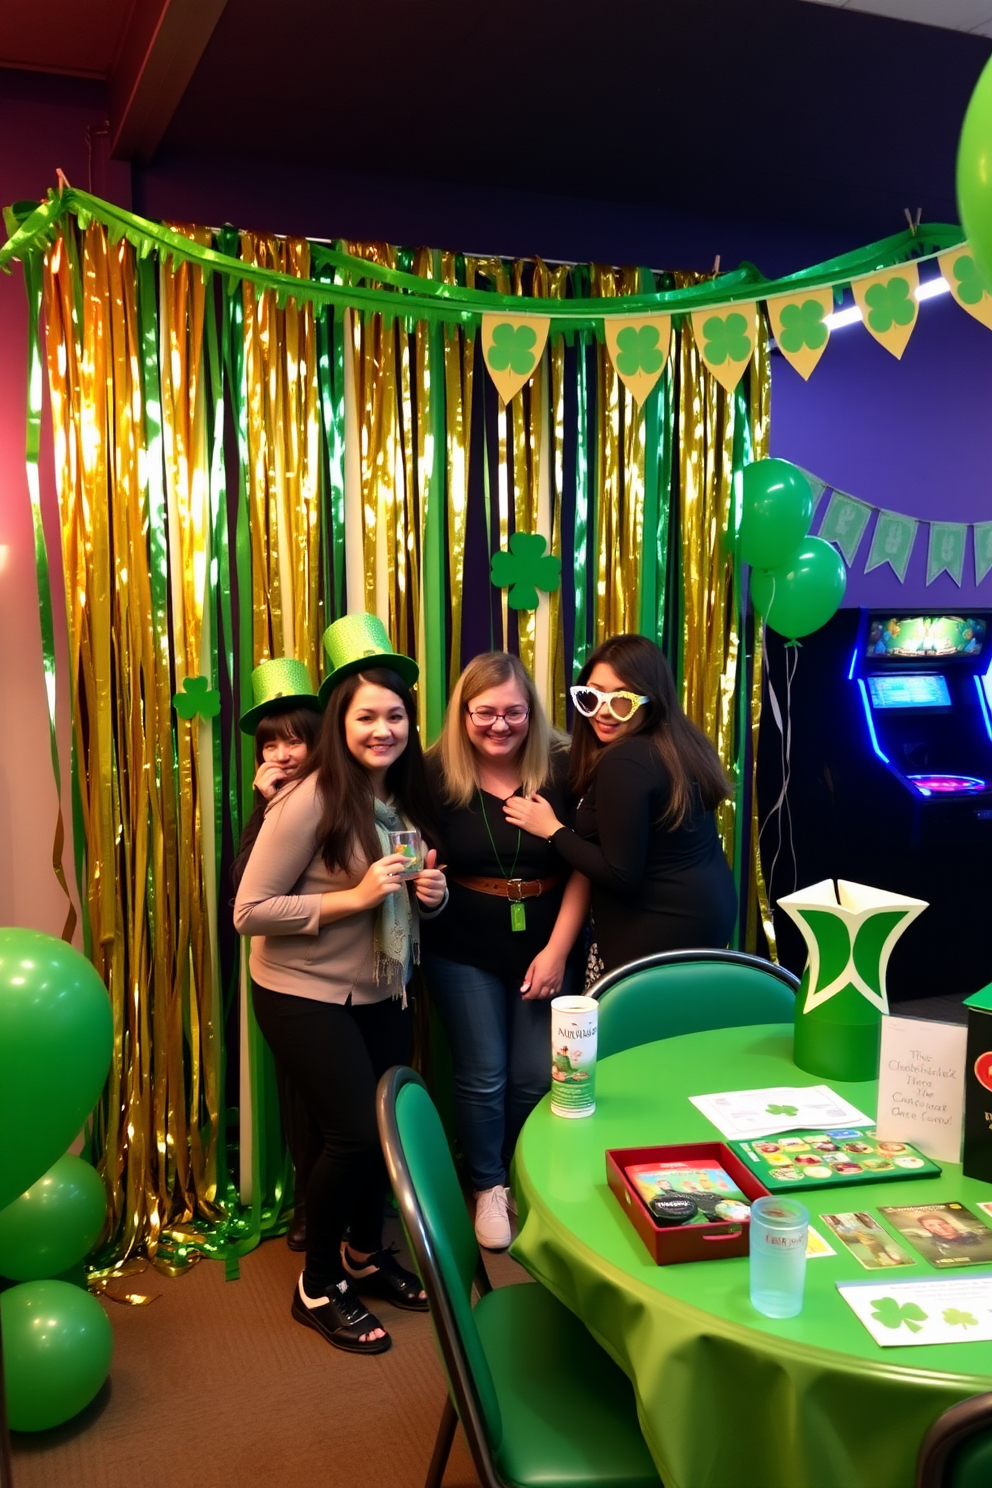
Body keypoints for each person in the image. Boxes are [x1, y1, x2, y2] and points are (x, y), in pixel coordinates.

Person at [234, 614, 447, 1355]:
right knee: (353, 1136)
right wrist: (355, 898)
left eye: (395, 714)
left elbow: (419, 879)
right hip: (301, 993)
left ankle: (363, 1253)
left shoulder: (405, 794)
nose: (383, 728)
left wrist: (432, 896)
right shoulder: (310, 798)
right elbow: (249, 912)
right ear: (340, 723)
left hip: (383, 986)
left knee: (383, 1131)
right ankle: (318, 1284)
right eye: (366, 716)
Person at [422, 652, 589, 1251]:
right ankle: (488, 1185)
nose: (500, 725)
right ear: (464, 714)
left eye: (513, 711)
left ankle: (527, 1178)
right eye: (484, 713)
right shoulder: (435, 773)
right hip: (462, 947)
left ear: (532, 711)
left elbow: (585, 868)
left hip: (549, 945)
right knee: (484, 1074)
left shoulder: (567, 765)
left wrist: (557, 952)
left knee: (532, 1076)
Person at [505, 633, 737, 980]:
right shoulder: (679, 743)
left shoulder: (625, 760)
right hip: (706, 918)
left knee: (632, 1031)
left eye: (621, 700)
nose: (603, 711)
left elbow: (620, 874)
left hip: (657, 928)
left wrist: (552, 829)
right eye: (591, 696)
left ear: (650, 700)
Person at [232, 658, 324, 1253]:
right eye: (271, 743)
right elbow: (243, 899)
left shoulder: (342, 795)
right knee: (300, 1097)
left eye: (295, 739)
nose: (283, 754)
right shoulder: (269, 807)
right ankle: (309, 1206)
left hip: (353, 973)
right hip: (288, 977)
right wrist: (262, 808)